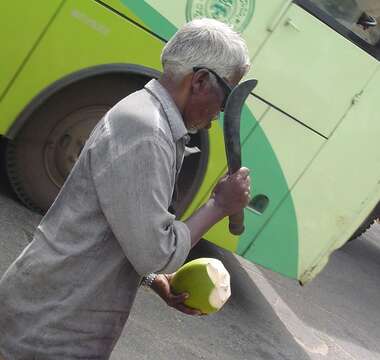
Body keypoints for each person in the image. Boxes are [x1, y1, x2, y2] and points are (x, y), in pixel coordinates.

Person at [0, 18, 251, 359]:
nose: (221, 113)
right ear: (202, 81)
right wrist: (219, 205)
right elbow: (156, 251)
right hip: (50, 326)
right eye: (226, 99)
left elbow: (118, 226)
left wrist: (151, 278)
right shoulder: (148, 132)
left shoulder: (151, 121)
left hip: (55, 315)